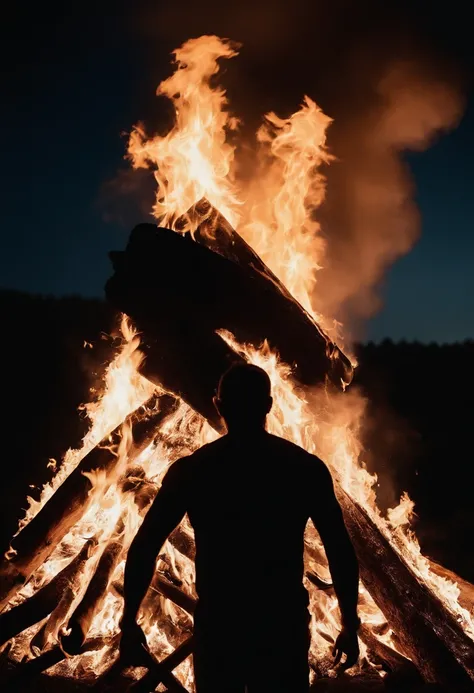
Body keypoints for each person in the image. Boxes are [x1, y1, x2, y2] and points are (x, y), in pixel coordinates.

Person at [119, 363, 360, 692]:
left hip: (220, 625)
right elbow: (339, 549)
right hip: (281, 624)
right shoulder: (304, 468)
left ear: (217, 406)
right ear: (269, 406)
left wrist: (129, 619)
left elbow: (146, 545)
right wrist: (348, 622)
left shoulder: (193, 471)